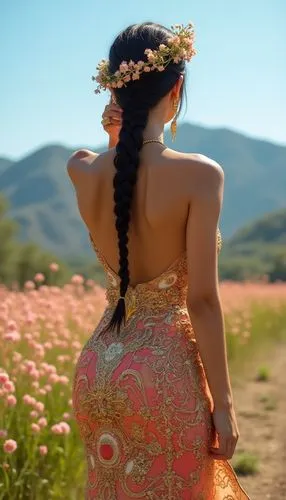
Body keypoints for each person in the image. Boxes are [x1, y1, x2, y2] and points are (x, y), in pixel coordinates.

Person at [68, 22, 250, 499]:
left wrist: (114, 136)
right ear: (177, 88)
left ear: (114, 90)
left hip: (99, 372)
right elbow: (204, 301)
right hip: (163, 376)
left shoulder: (81, 169)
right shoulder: (199, 175)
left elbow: (122, 189)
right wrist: (225, 404)